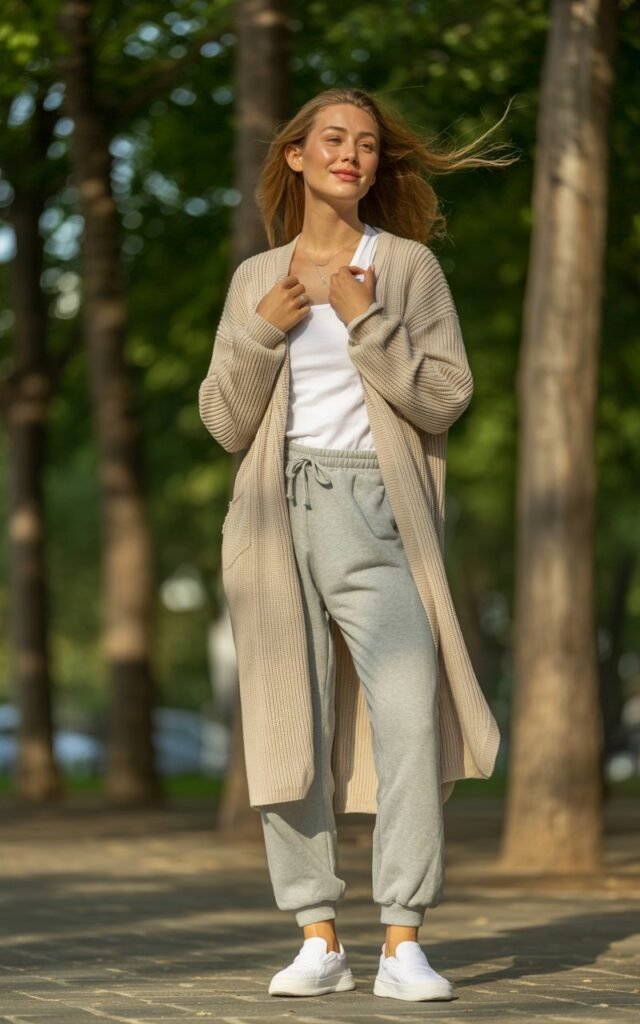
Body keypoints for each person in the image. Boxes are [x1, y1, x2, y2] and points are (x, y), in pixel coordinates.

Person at [199, 87, 517, 1002]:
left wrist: (364, 320)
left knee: (411, 714)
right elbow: (224, 421)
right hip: (272, 514)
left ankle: (403, 940)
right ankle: (318, 935)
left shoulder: (406, 267)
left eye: (368, 145)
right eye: (333, 140)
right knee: (289, 721)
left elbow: (446, 397)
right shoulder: (256, 278)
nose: (353, 155)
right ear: (295, 156)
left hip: (378, 510)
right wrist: (266, 329)